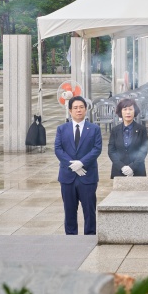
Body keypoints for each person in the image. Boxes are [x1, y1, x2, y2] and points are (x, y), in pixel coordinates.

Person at [54, 96, 102, 235]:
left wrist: (81, 163)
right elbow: (58, 149)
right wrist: (72, 165)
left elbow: (96, 149)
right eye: (75, 108)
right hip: (67, 177)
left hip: (87, 176)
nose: (78, 110)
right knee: (69, 211)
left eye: (81, 107)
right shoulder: (62, 129)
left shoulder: (94, 129)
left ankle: (90, 237)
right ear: (70, 110)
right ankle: (71, 238)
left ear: (86, 109)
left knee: (89, 211)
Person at [108, 98, 148, 178]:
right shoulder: (115, 130)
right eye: (125, 109)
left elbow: (143, 151)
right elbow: (111, 151)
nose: (128, 112)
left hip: (137, 171)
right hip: (119, 171)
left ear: (135, 111)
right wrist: (122, 167)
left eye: (130, 109)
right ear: (120, 112)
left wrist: (132, 167)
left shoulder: (142, 129)